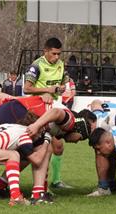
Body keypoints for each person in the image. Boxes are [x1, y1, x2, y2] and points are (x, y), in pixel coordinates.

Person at [23, 37, 74, 189]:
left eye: (59, 54)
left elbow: (65, 82)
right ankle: (4, 181)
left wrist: (63, 88)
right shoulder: (36, 65)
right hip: (36, 111)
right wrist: (46, 91)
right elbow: (27, 88)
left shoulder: (61, 65)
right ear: (45, 51)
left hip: (53, 109)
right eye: (54, 53)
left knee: (58, 147)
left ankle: (56, 181)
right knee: (39, 149)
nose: (57, 57)